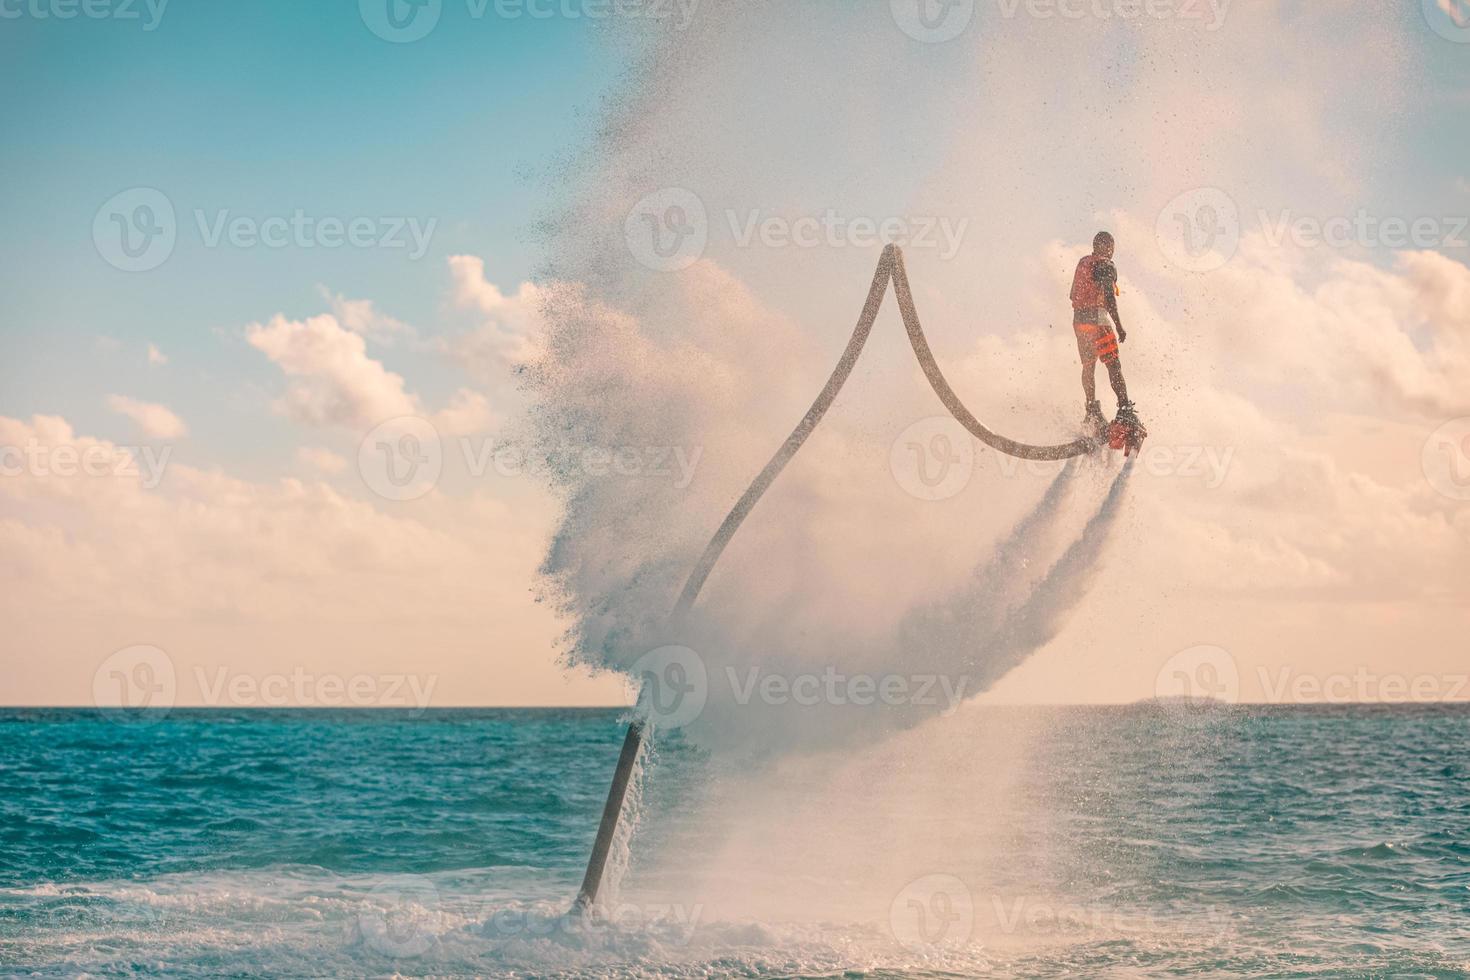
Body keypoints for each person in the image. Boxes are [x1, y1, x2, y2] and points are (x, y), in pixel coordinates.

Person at [1069, 231, 1139, 441]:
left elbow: (1073, 295)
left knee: (1088, 367)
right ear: (1107, 246)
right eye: (1112, 247)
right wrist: (1119, 325)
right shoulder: (1105, 264)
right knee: (1113, 366)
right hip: (1098, 321)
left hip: (1079, 323)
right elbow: (1109, 297)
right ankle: (1125, 410)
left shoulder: (1083, 263)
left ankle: (1091, 411)